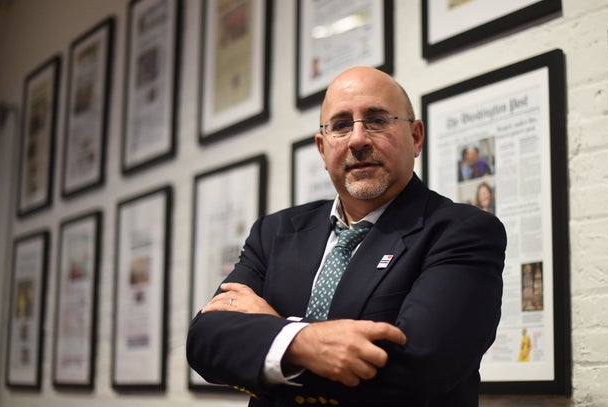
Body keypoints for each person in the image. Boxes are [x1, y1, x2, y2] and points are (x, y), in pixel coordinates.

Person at [186, 66, 506, 406]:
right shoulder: (274, 233)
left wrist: (281, 335)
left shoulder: (461, 232)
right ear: (323, 150)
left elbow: (416, 369)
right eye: (340, 125)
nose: (357, 139)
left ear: (415, 138)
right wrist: (304, 342)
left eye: (377, 120)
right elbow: (206, 340)